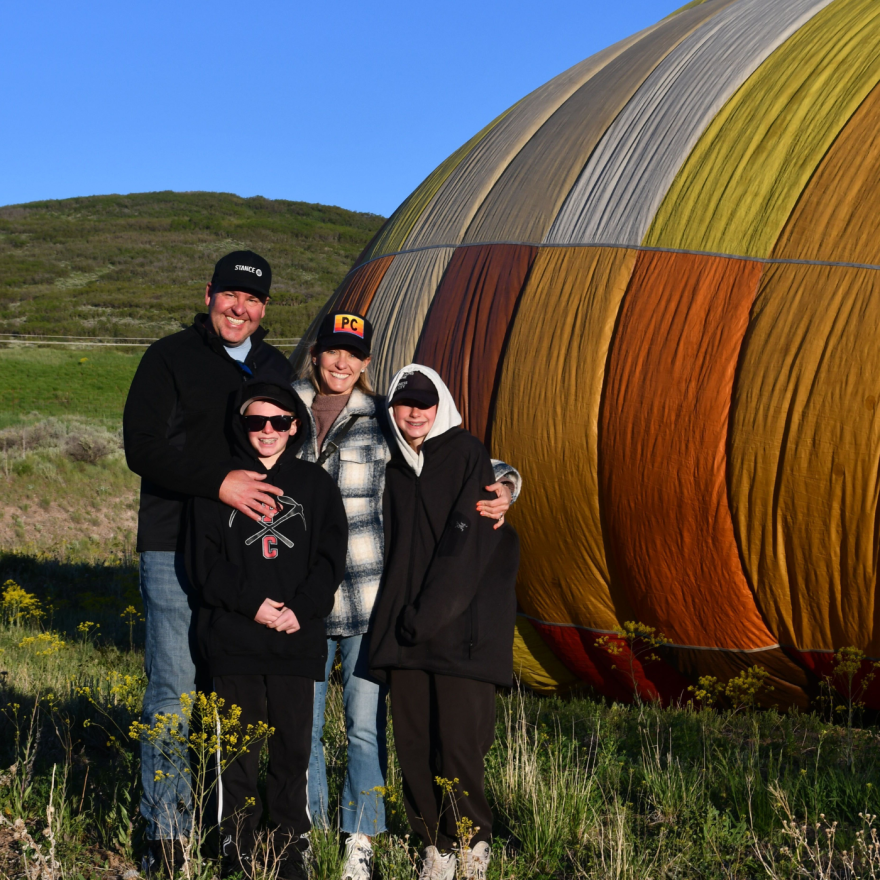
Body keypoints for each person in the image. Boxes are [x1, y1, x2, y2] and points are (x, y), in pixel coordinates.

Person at [292, 312, 520, 880]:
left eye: (354, 354)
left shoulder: (382, 422)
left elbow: (472, 466)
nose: (341, 362)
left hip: (370, 602)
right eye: (332, 351)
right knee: (307, 727)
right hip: (305, 600)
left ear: (367, 363)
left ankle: (373, 841)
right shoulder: (281, 412)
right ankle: (309, 833)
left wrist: (510, 485)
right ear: (316, 354)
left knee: (369, 729)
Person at [123, 251, 292, 875]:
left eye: (251, 300)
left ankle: (229, 827)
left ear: (265, 308)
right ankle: (164, 836)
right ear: (209, 294)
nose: (238, 308)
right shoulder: (168, 357)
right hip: (172, 545)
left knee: (233, 693)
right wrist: (219, 482)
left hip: (246, 554)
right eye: (229, 296)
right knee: (173, 691)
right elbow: (140, 448)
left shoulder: (275, 367)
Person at [188, 381, 348, 880]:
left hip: (295, 642)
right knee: (234, 751)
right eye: (256, 422)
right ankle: (234, 848)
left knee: (293, 751)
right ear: (243, 425)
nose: (267, 432)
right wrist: (252, 605)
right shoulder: (220, 485)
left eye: (279, 422)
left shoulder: (316, 485)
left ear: (294, 425)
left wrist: (301, 609)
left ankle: (287, 849)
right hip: (234, 641)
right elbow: (203, 564)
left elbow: (329, 558)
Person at [368, 365, 519, 880]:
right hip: (404, 632)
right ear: (391, 407)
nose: (414, 412)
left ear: (443, 406)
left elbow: (464, 547)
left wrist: (425, 617)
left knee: (458, 744)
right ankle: (436, 845)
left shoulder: (466, 454)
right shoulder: (387, 459)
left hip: (458, 633)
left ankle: (473, 844)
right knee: (412, 744)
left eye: (425, 402)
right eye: (405, 402)